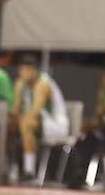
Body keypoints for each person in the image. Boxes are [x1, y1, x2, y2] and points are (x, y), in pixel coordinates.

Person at [11, 54, 70, 182]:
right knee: (7, 125)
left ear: (34, 70)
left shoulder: (42, 84)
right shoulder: (20, 83)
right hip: (37, 124)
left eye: (26, 70)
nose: (23, 73)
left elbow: (35, 112)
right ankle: (9, 168)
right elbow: (15, 109)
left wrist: (19, 119)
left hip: (55, 125)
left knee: (27, 123)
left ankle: (29, 171)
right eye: (21, 70)